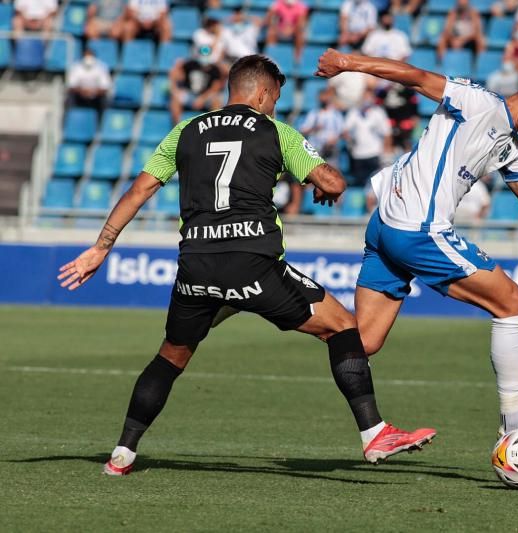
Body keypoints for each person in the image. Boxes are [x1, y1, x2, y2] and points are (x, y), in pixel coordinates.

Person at [57, 55, 436, 476]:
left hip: (196, 267)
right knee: (343, 327)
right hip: (253, 263)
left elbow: (139, 189)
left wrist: (101, 247)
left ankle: (122, 454)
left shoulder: (184, 131)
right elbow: (333, 182)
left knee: (171, 356)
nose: (275, 103)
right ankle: (374, 433)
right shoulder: (275, 132)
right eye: (275, 95)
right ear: (260, 93)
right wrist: (317, 183)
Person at [315, 50, 518, 440]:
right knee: (513, 303)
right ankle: (515, 424)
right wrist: (348, 63)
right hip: (417, 230)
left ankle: (274, 301)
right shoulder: (476, 102)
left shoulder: (510, 148)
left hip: (383, 226)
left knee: (363, 341)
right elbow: (413, 76)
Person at [343, 90, 393, 186]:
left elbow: (387, 133)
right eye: (364, 97)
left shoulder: (379, 112)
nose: (366, 100)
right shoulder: (354, 112)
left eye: (368, 97)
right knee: (360, 184)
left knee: (375, 184)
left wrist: (386, 152)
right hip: (358, 154)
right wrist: (350, 139)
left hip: (375, 153)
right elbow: (345, 130)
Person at [169, 45, 226, 124]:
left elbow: (215, 88)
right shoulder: (190, 64)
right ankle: (177, 128)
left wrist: (202, 99)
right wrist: (175, 89)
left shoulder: (214, 69)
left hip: (206, 97)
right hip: (190, 95)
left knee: (216, 102)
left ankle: (215, 128)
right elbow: (175, 74)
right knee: (175, 101)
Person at [299, 87, 344, 160]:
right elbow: (303, 131)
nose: (323, 99)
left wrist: (333, 140)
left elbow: (341, 131)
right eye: (321, 97)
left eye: (325, 97)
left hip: (330, 149)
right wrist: (314, 128)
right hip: (315, 150)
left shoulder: (336, 114)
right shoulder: (313, 113)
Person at [66, 48, 112, 115]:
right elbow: (71, 86)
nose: (88, 58)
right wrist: (82, 91)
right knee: (70, 98)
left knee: (105, 100)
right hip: (80, 94)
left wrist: (93, 92)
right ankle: (70, 119)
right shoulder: (76, 67)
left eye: (90, 56)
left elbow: (105, 87)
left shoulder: (102, 67)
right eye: (86, 56)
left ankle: (102, 122)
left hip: (97, 95)